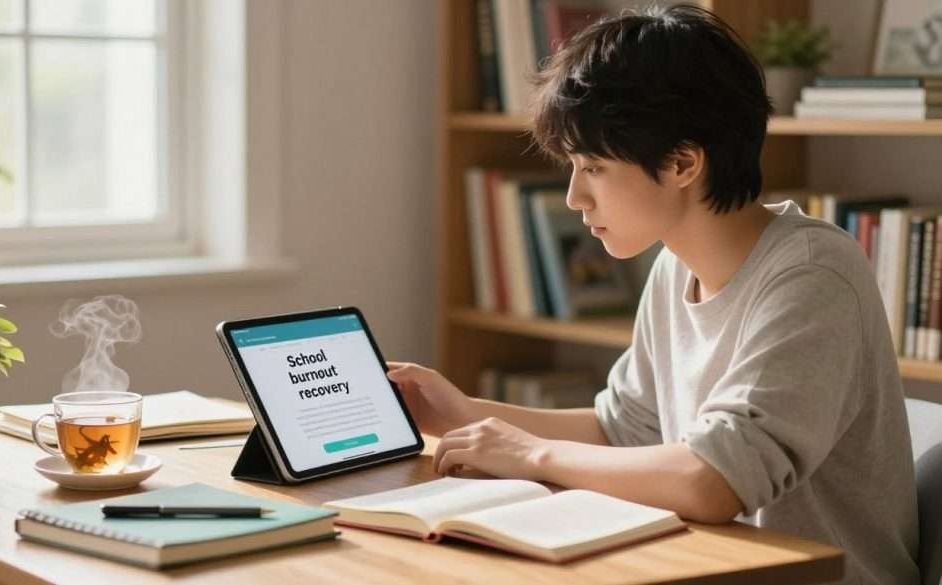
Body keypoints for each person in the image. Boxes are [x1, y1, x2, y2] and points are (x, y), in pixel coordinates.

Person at [387, 5, 918, 584]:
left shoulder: (813, 276)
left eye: (592, 167)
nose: (573, 198)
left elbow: (711, 482)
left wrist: (530, 454)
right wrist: (462, 413)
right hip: (707, 568)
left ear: (683, 163)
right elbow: (623, 430)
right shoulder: (673, 266)